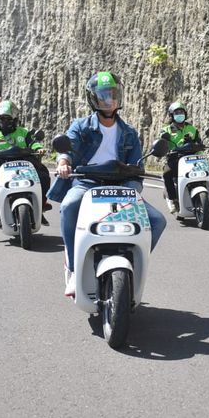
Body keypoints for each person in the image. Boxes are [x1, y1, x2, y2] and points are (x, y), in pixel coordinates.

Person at [49, 72, 166, 287]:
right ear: (93, 98)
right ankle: (74, 268)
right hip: (87, 182)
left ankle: (131, 263)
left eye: (113, 94)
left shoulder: (129, 132)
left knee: (158, 220)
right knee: (69, 205)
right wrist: (63, 162)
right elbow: (68, 149)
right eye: (104, 95)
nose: (110, 100)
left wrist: (133, 187)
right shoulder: (81, 126)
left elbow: (137, 167)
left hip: (119, 185)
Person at [0, 97, 51, 227]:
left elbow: (33, 143)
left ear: (15, 120)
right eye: (2, 119)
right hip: (0, 164)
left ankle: (42, 204)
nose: (5, 122)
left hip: (26, 162)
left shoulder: (24, 132)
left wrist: (39, 149)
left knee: (44, 175)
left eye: (8, 119)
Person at [160, 101, 202, 213]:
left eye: (181, 112)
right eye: (177, 112)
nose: (180, 114)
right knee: (167, 173)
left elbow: (199, 143)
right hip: (175, 159)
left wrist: (199, 149)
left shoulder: (192, 129)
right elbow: (162, 144)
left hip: (191, 160)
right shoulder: (167, 130)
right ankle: (172, 199)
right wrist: (166, 150)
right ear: (172, 115)